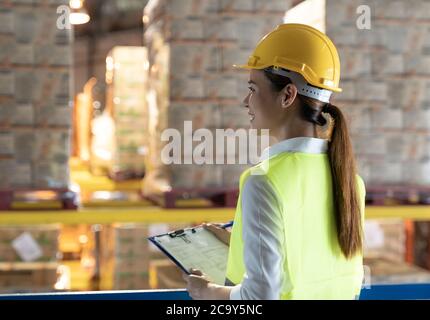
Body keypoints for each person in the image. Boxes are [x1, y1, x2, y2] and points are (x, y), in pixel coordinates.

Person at [183, 23, 366, 300]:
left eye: (253, 89)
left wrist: (206, 292)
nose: (246, 101)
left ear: (288, 95)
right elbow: (309, 257)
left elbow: (259, 297)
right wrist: (239, 242)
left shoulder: (265, 181)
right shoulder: (351, 181)